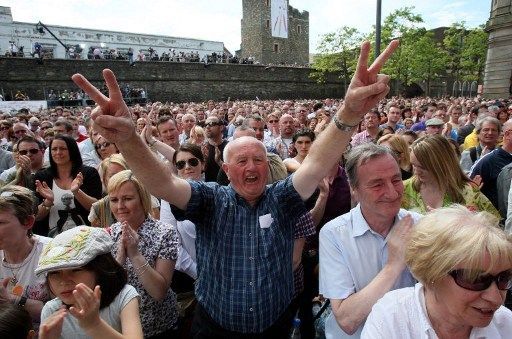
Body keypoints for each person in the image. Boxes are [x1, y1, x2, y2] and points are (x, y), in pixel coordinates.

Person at [71, 39, 399, 336]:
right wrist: (129, 139)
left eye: (258, 159)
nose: (252, 167)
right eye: (241, 162)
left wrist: (349, 111)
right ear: (226, 170)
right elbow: (163, 182)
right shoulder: (211, 200)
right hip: (216, 328)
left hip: (275, 325)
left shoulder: (282, 197)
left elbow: (315, 163)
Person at [361, 205, 512, 338]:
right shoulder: (392, 318)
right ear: (431, 275)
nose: (496, 298)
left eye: (503, 278)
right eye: (475, 280)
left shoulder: (506, 325)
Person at [319, 143, 421, 338]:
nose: (392, 193)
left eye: (396, 180)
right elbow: (347, 321)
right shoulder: (334, 234)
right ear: (354, 189)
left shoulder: (419, 225)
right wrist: (393, 266)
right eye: (377, 184)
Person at [107, 170, 180, 337]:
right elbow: (109, 288)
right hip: (121, 328)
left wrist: (134, 254)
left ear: (142, 198)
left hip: (160, 328)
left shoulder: (164, 233)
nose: (120, 207)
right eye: (114, 200)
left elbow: (158, 292)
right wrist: (120, 257)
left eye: (127, 199)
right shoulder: (109, 234)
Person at [36, 226, 143, 338]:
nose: (64, 281)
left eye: (75, 270)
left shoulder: (124, 297)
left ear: (100, 269)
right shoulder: (52, 311)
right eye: (54, 273)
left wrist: (94, 325)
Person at [402, 135, 498, 216]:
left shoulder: (468, 191)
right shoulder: (403, 189)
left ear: (442, 164)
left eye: (423, 167)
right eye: (413, 165)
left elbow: (494, 227)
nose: (416, 171)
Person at [0, 185, 51, 331]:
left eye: (1, 223)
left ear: (28, 222)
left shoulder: (51, 252)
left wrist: (11, 300)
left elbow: (61, 312)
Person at [33, 135, 102, 237]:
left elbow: (98, 209)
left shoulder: (88, 173)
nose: (58, 152)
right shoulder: (42, 176)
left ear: (72, 150)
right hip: (51, 239)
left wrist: (77, 192)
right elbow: (36, 216)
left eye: (63, 149)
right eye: (54, 149)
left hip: (86, 237)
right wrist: (48, 201)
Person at [470, 120, 512, 209]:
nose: (490, 133)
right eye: (486, 130)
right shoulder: (487, 161)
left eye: (493, 130)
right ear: (508, 134)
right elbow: (470, 193)